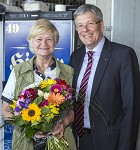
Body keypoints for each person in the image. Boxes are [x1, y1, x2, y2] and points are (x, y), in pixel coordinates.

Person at [69, 4, 140, 150]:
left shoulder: (123, 55)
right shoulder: (76, 57)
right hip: (81, 139)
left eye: (90, 23)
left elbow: (131, 107)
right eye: (80, 25)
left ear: (101, 25)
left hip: (111, 141)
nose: (85, 30)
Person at [1, 19, 76, 150]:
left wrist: (63, 123)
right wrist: (28, 127)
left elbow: (72, 111)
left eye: (49, 39)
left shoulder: (68, 72)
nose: (44, 44)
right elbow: (5, 110)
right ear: (31, 41)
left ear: (56, 41)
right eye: (39, 39)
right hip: (25, 143)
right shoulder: (18, 71)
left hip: (60, 141)